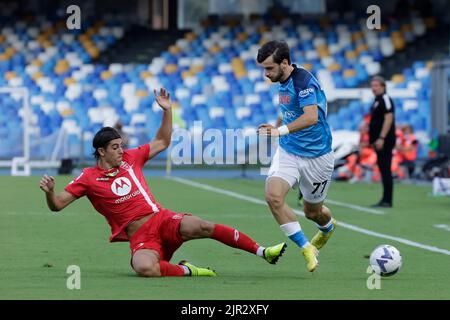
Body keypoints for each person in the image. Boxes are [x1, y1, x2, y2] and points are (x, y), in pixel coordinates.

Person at [39, 88, 287, 277]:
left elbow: (162, 141)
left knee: (202, 225)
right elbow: (58, 204)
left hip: (163, 219)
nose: (120, 150)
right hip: (141, 236)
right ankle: (188, 270)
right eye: (115, 147)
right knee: (145, 268)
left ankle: (263, 252)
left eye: (121, 145)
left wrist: (167, 110)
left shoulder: (131, 158)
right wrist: (50, 193)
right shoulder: (88, 178)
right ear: (101, 152)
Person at [256, 40, 336, 273]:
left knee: (313, 213)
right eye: (263, 69)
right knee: (273, 197)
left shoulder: (303, 82)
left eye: (269, 68)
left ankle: (328, 227)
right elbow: (290, 112)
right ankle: (305, 247)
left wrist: (278, 131)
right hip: (289, 151)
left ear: (284, 63)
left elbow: (311, 117)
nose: (266, 74)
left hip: (318, 156)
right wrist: (276, 126)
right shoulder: (282, 80)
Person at [368, 76, 396, 208]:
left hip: (385, 141)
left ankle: (387, 200)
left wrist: (381, 138)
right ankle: (385, 198)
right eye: (372, 85)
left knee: (386, 170)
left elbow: (389, 118)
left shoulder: (385, 99)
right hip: (378, 141)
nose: (373, 88)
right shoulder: (376, 101)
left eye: (376, 85)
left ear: (383, 86)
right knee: (383, 169)